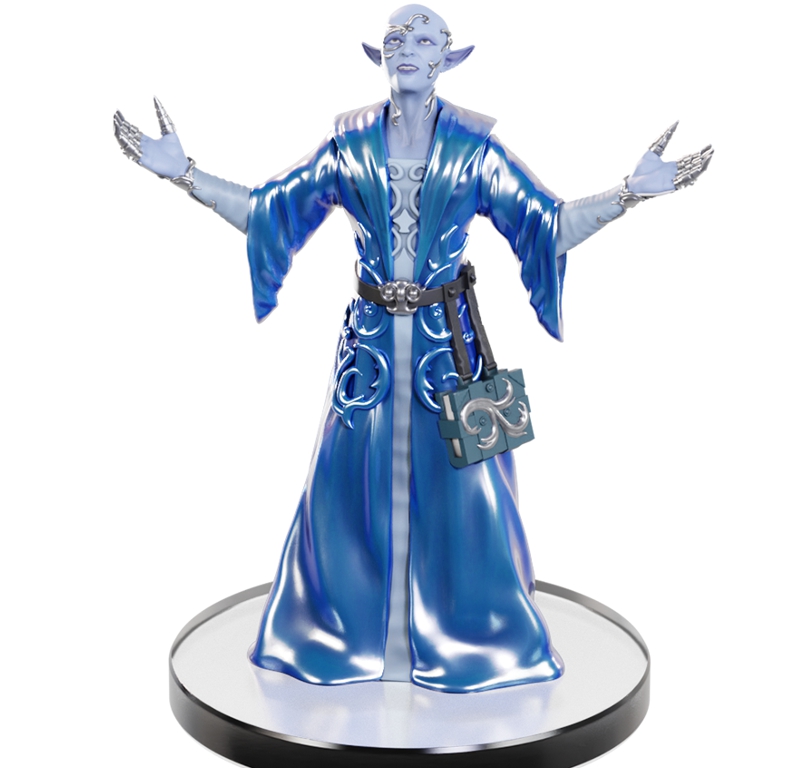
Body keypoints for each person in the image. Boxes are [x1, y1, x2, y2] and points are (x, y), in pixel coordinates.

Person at [114, 4, 711, 692]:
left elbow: (547, 225)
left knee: (470, 499)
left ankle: (474, 635)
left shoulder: (475, 150)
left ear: (445, 61)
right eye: (396, 37)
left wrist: (629, 193)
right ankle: (339, 632)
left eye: (425, 39)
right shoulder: (348, 147)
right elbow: (266, 210)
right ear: (380, 57)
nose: (408, 46)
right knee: (341, 491)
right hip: (368, 356)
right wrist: (184, 174)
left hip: (447, 352)